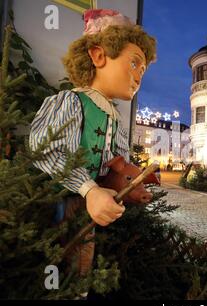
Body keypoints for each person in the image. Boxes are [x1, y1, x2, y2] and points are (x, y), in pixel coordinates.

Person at [29, 9, 156, 274]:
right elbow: (45, 149)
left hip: (92, 205)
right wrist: (88, 189)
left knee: (83, 258)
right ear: (98, 56)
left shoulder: (115, 117)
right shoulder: (70, 101)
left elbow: (119, 165)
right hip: (61, 201)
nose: (139, 76)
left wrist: (131, 185)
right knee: (64, 259)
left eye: (143, 70)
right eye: (134, 63)